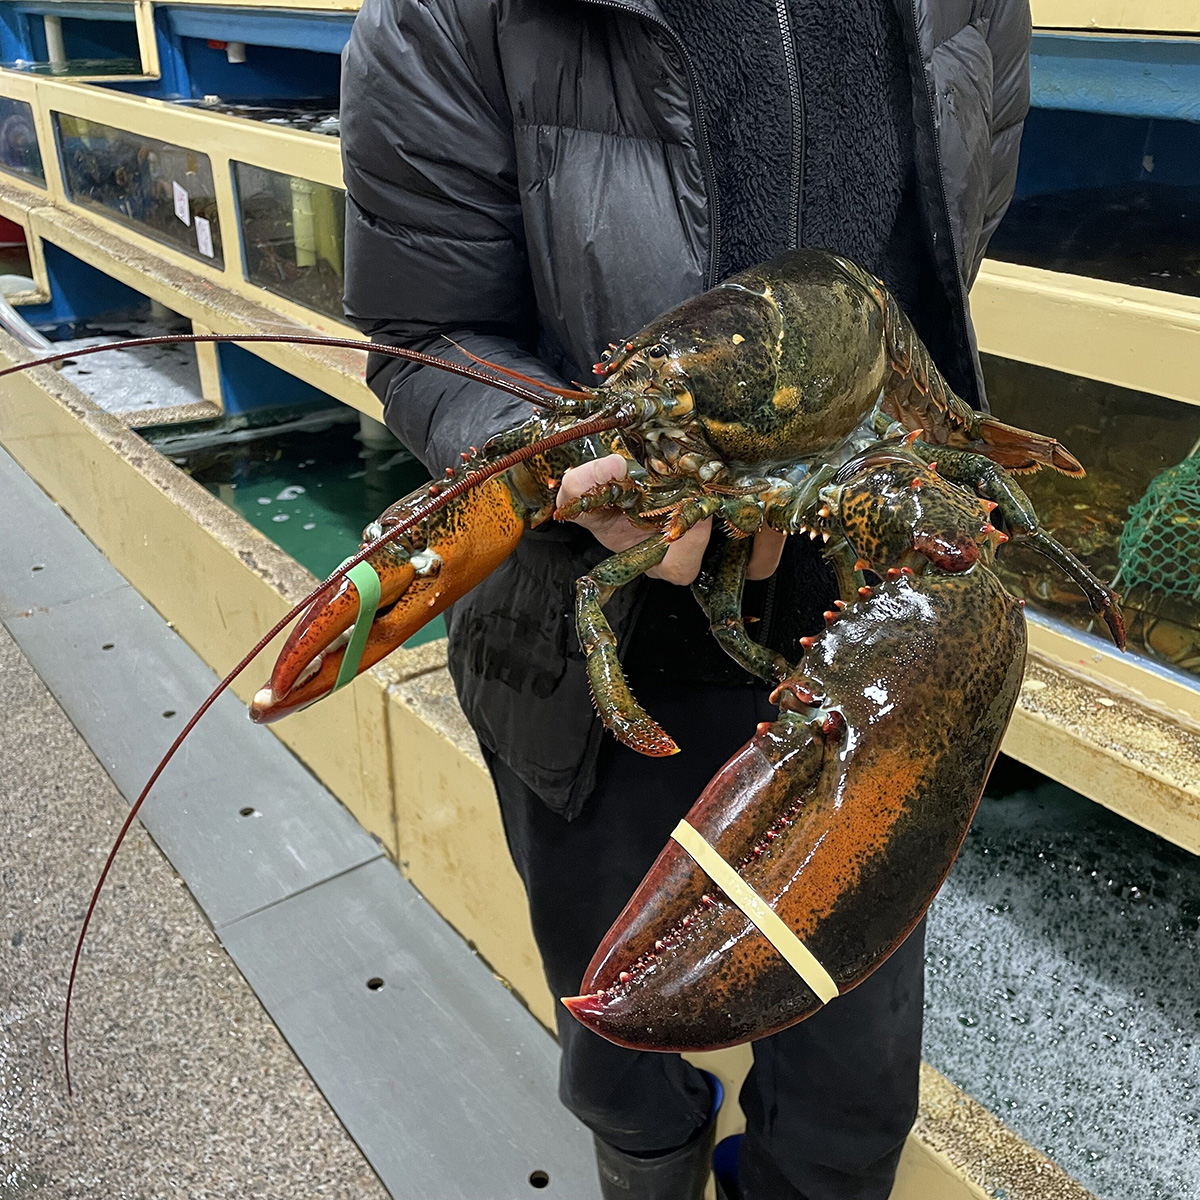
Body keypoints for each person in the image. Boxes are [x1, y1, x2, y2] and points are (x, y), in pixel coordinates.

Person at [340, 2, 1031, 1196]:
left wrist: (859, 466)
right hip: (579, 660)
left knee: (854, 1102)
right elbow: (419, 332)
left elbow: (952, 244)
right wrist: (561, 466)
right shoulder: (450, 14)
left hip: (873, 663)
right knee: (618, 1052)